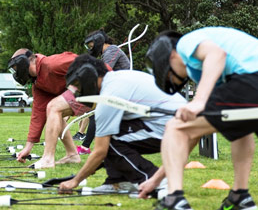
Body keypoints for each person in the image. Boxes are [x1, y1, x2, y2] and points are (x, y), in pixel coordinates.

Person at [139, 27, 258, 210]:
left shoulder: (185, 43)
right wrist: (156, 180)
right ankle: (239, 197)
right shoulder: (214, 73)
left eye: (168, 75)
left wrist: (199, 100)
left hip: (256, 79)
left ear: (170, 56)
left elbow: (216, 54)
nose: (172, 81)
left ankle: (173, 201)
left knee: (175, 127)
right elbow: (190, 138)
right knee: (239, 131)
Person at [57, 54, 184, 194]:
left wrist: (75, 181)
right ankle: (118, 182)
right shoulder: (117, 78)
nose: (78, 92)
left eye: (78, 86)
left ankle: (155, 181)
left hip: (173, 127)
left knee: (109, 141)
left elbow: (100, 151)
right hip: (176, 121)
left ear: (88, 77)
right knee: (111, 133)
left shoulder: (109, 96)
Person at [9, 49, 91, 169]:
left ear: (24, 63)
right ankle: (72, 155)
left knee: (53, 107)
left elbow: (87, 63)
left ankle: (47, 159)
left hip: (100, 87)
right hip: (89, 92)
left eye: (16, 69)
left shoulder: (52, 64)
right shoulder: (38, 84)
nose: (16, 74)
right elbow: (38, 114)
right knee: (54, 113)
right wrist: (28, 147)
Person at [74, 30, 131, 154]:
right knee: (98, 115)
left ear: (98, 42)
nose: (90, 49)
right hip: (116, 88)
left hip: (122, 89)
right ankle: (88, 147)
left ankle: (85, 147)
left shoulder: (111, 51)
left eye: (91, 46)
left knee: (97, 115)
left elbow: (102, 72)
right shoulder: (108, 52)